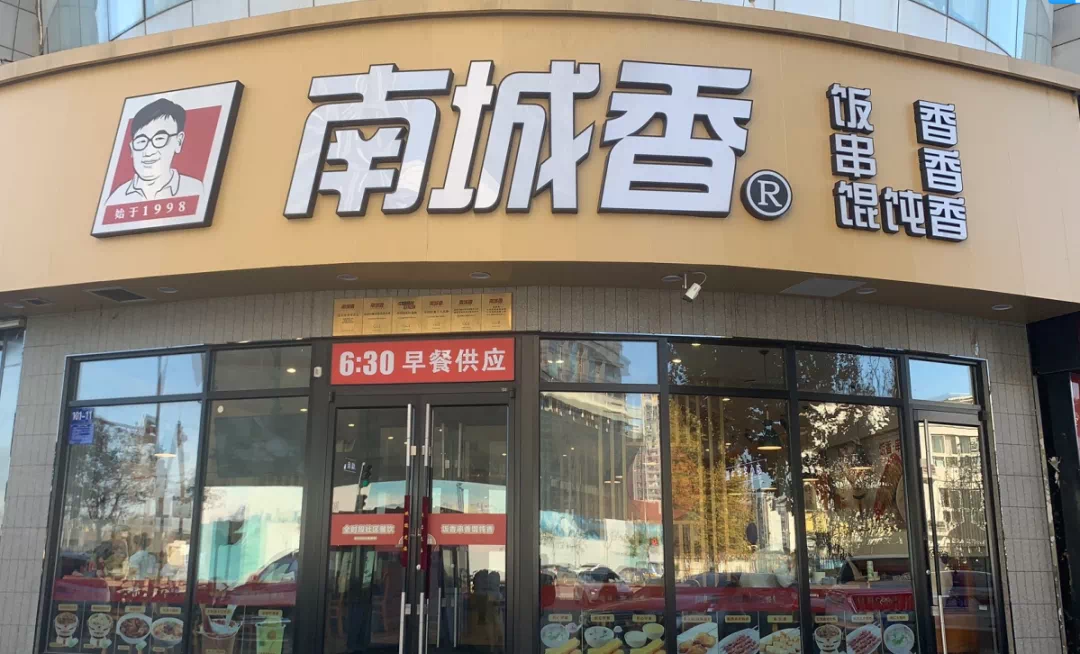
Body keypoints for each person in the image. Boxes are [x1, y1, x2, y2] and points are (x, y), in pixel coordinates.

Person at [106, 98, 204, 206]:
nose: (148, 153)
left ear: (178, 141)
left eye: (159, 139)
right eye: (141, 141)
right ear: (131, 148)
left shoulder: (196, 190)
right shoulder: (116, 199)